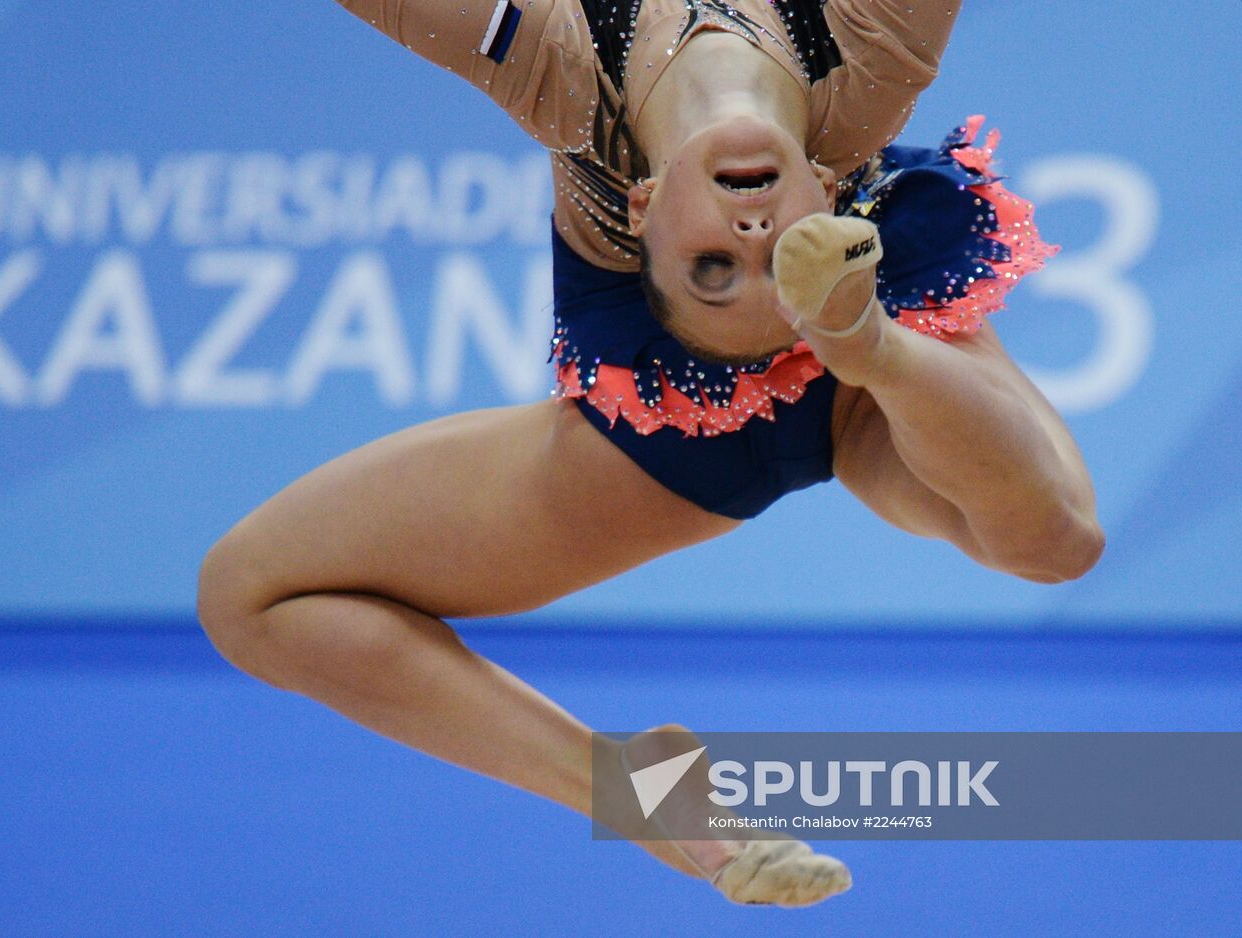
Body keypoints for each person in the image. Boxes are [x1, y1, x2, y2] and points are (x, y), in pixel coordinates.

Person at [196, 0, 1104, 908]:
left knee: (1049, 544)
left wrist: (864, 351)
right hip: (694, 427)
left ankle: (860, 341)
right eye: (761, 260)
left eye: (714, 267)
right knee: (251, 595)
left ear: (646, 215)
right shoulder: (870, 60)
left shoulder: (555, 69)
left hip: (886, 370)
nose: (753, 244)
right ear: (641, 205)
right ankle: (634, 792)